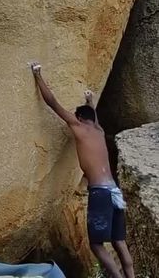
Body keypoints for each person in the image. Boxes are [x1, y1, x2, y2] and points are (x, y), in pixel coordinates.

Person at [30, 62, 134, 278]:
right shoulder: (98, 130)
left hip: (100, 193)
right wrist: (90, 100)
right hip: (115, 192)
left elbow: (52, 103)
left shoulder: (78, 126)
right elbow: (93, 117)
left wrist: (38, 74)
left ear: (78, 118)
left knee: (96, 245)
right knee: (119, 241)